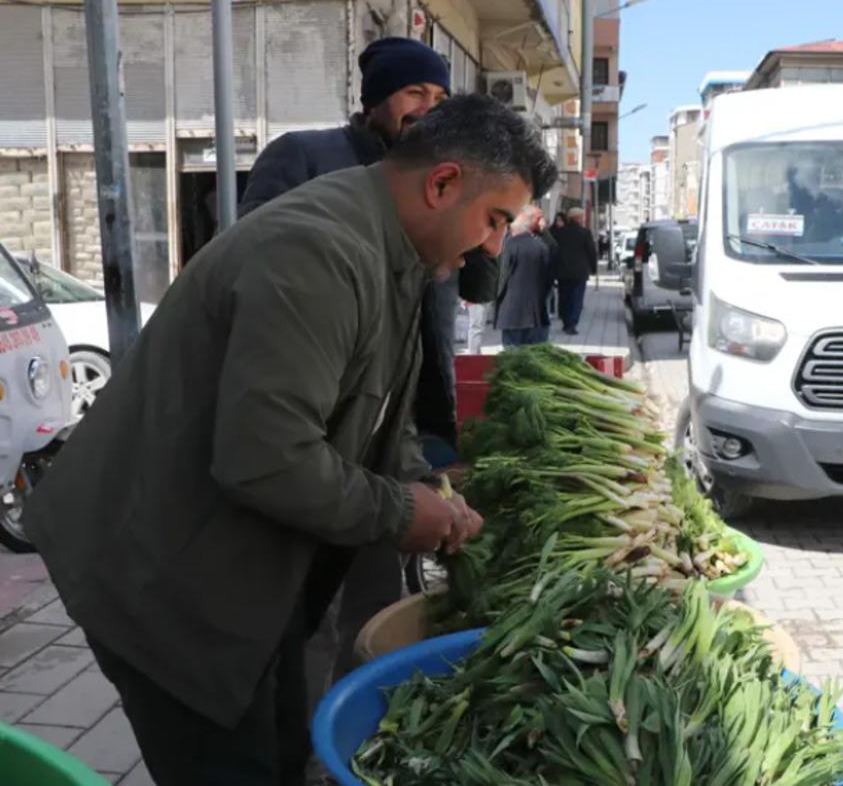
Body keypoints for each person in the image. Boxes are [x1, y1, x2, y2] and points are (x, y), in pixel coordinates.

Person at [25, 95, 557, 785]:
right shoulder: (321, 252)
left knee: (282, 747)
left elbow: (375, 406)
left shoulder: (393, 252)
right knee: (230, 762)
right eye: (494, 220)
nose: (493, 245)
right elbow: (265, 457)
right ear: (443, 183)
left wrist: (422, 482)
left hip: (240, 569)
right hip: (160, 579)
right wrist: (400, 514)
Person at [239, 36, 496, 456]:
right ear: (374, 99)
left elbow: (479, 289)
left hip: (421, 417)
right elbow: (255, 264)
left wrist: (488, 211)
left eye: (440, 97)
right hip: (324, 414)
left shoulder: (449, 180)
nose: (428, 108)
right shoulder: (304, 155)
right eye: (414, 92)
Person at [494, 206, 553, 347]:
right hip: (537, 314)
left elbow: (501, 278)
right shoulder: (541, 247)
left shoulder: (507, 246)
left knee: (513, 361)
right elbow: (549, 279)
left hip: (511, 314)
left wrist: (494, 299)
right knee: (537, 360)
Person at [554, 207, 598, 335]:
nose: (583, 219)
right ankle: (571, 324)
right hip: (579, 272)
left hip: (562, 271)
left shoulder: (560, 232)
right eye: (582, 216)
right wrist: (593, 269)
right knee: (576, 298)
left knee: (564, 297)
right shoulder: (585, 233)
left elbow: (554, 251)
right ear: (578, 218)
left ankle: (565, 321)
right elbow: (591, 252)